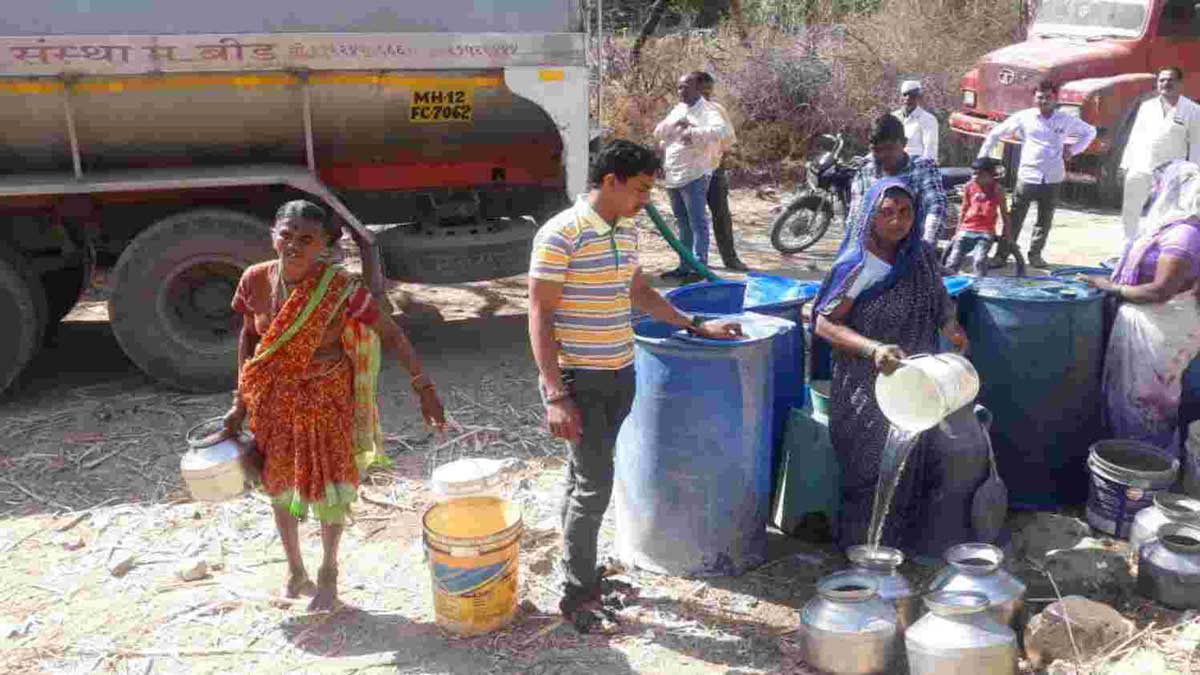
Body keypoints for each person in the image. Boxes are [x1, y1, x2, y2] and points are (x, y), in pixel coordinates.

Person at [528, 140, 742, 632]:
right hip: (580, 381)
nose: (646, 199)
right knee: (593, 487)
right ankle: (577, 593)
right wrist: (556, 394)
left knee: (582, 478)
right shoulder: (561, 234)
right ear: (610, 182)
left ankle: (576, 568)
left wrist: (696, 325)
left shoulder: (625, 229)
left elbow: (640, 292)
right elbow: (540, 316)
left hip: (620, 374)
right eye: (641, 189)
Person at [221, 200, 446, 611]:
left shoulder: (342, 290)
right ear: (273, 234)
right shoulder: (255, 280)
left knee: (330, 485)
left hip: (327, 401)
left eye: (306, 239)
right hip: (273, 402)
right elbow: (249, 340)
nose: (293, 246)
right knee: (278, 483)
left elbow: (392, 335)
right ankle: (294, 569)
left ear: (325, 244)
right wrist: (241, 402)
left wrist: (423, 386)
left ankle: (328, 572)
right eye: (285, 236)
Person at [812, 177, 971, 553]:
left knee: (911, 462)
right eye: (887, 213)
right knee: (868, 470)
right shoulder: (857, 266)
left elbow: (939, 300)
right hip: (867, 386)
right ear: (870, 215)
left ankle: (894, 551)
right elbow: (824, 322)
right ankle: (857, 556)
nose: (897, 221)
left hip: (915, 378)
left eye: (905, 212)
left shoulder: (921, 255)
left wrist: (951, 325)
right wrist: (872, 349)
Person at [1085, 160, 1200, 455]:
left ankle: (1148, 468)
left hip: (1161, 327)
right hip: (1150, 324)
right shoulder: (1169, 227)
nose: (1153, 189)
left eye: (1158, 183)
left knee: (1148, 403)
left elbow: (1161, 289)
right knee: (1130, 400)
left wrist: (1112, 288)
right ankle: (1130, 462)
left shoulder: (1184, 234)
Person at [979, 80, 1097, 269]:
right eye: (1040, 97)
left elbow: (1090, 132)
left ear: (1055, 98)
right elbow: (995, 133)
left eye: (1048, 97)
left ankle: (1035, 255)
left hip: (1053, 176)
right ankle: (1002, 255)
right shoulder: (1024, 117)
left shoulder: (1065, 119)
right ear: (1034, 98)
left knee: (1045, 219)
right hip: (1028, 174)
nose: (1044, 101)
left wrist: (1073, 150)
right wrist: (981, 162)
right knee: (1014, 218)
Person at [653, 71, 733, 281]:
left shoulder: (708, 110)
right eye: (679, 87)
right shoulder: (679, 109)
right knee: (682, 222)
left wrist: (693, 132)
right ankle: (684, 264)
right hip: (673, 172)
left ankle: (700, 266)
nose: (681, 91)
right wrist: (672, 127)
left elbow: (722, 132)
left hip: (695, 173)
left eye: (686, 86)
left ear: (699, 88)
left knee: (697, 221)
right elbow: (659, 132)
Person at [1120, 67, 1200, 244]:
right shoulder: (1147, 107)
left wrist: (1194, 175)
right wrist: (1126, 164)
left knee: (1162, 212)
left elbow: (1196, 144)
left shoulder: (1192, 110)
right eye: (1162, 80)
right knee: (1131, 209)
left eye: (1170, 80)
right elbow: (1135, 136)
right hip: (1141, 165)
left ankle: (1154, 247)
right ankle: (1127, 247)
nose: (1165, 84)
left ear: (1180, 83)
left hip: (1170, 171)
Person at [848, 114, 948, 247]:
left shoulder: (923, 168)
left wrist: (926, 245)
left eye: (889, 148)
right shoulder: (865, 171)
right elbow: (856, 216)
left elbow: (936, 206)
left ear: (904, 143)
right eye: (877, 150)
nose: (883, 155)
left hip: (915, 248)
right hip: (875, 249)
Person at [697, 71, 749, 272]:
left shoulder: (717, 110)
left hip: (714, 169)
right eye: (702, 91)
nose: (706, 96)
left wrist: (718, 163)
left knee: (721, 216)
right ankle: (695, 262)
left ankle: (730, 259)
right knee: (694, 218)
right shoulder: (683, 111)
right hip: (690, 172)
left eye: (709, 91)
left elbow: (728, 143)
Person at [944, 157, 1013, 277]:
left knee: (979, 260)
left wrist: (1006, 235)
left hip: (985, 231)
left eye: (980, 174)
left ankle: (979, 285)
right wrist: (957, 232)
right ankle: (947, 286)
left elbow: (1004, 213)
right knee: (953, 260)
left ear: (991, 175)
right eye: (974, 173)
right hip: (966, 229)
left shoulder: (997, 189)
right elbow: (964, 209)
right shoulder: (969, 187)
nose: (975, 176)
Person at [894, 80, 939, 163]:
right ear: (900, 97)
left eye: (912, 96)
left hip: (916, 166)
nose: (907, 98)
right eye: (905, 95)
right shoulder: (893, 117)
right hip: (893, 165)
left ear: (919, 98)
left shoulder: (928, 119)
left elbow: (930, 151)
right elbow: (883, 145)